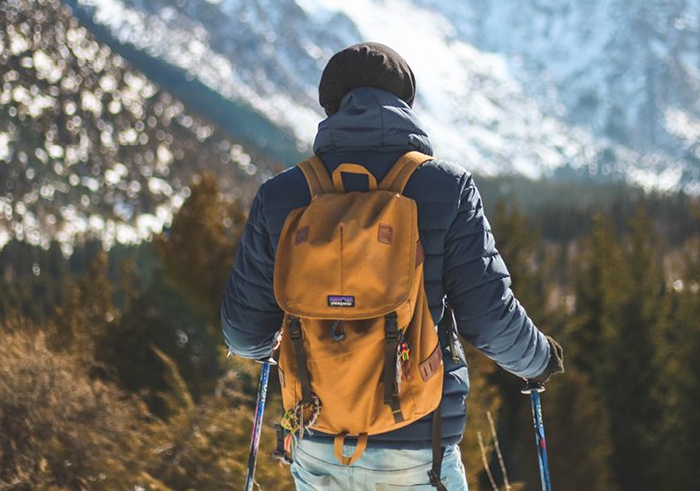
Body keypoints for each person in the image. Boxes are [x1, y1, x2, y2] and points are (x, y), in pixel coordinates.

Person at [222, 42, 563, 490]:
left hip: (316, 442)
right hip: (416, 446)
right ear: (405, 102)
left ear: (332, 106)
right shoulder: (447, 188)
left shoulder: (281, 196)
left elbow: (245, 335)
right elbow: (488, 319)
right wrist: (538, 360)